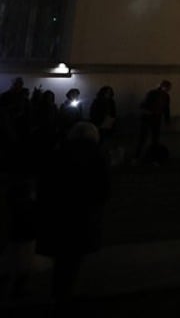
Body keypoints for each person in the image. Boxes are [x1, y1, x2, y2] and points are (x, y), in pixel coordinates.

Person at [35, 121, 110, 314]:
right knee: (72, 259)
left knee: (62, 257)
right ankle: (63, 296)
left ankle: (59, 293)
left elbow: (43, 183)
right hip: (82, 214)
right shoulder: (96, 156)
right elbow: (103, 189)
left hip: (57, 213)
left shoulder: (58, 153)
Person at [136, 80, 172, 164]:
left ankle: (152, 158)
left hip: (155, 118)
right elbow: (144, 104)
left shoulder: (165, 96)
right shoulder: (154, 94)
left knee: (153, 139)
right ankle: (138, 157)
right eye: (168, 87)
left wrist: (167, 119)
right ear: (163, 86)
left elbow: (166, 109)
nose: (168, 89)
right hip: (149, 117)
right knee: (144, 138)